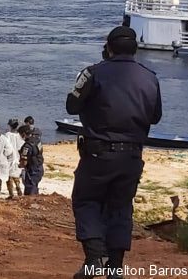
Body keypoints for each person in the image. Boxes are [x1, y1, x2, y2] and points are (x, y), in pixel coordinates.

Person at [66, 26, 162, 279]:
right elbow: (156, 116)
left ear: (108, 47)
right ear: (136, 49)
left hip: (98, 154)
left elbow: (71, 106)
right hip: (131, 156)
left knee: (87, 201)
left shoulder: (93, 73)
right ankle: (115, 267)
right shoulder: (150, 77)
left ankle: (95, 257)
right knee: (120, 207)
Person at [18, 125, 44, 195]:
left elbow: (24, 161)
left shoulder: (27, 146)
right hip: (40, 167)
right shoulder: (37, 140)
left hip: (32, 170)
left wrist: (20, 165)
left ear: (23, 134)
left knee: (29, 191)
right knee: (35, 187)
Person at [5, 118, 24, 198]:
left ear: (10, 126)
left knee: (8, 176)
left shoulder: (7, 135)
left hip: (10, 157)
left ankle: (11, 194)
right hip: (18, 157)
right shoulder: (20, 136)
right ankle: (18, 187)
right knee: (16, 174)